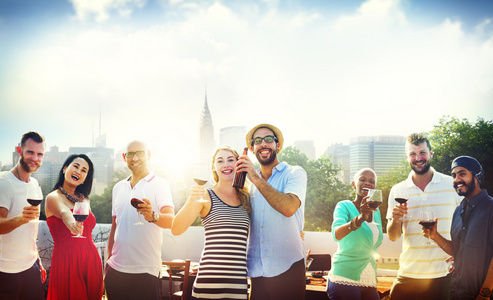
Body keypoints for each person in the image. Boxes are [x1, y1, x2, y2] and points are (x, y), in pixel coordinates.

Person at [235, 123, 307, 300]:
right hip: (257, 270)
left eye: (269, 139)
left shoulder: (294, 173)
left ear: (278, 145)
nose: (263, 144)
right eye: (258, 141)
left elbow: (289, 208)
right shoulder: (247, 183)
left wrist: (255, 178)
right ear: (252, 149)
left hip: (288, 268)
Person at [386, 133, 461, 300]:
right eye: (413, 154)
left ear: (431, 153)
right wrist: (396, 220)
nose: (418, 158)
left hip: (444, 274)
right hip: (409, 273)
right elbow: (393, 236)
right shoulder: (398, 190)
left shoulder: (451, 185)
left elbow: (467, 226)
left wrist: (461, 255)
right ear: (407, 157)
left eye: (422, 153)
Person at [172, 145, 251, 299]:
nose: (226, 165)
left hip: (238, 283)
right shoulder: (205, 195)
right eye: (220, 161)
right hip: (209, 283)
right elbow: (176, 229)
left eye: (231, 160)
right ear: (214, 168)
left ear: (238, 164)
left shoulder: (247, 198)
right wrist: (191, 200)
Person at [104, 140, 175, 300]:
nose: (134, 158)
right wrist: (108, 262)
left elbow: (171, 220)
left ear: (148, 155)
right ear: (124, 157)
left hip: (146, 271)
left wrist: (153, 216)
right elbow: (116, 226)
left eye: (140, 153)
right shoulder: (118, 187)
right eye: (130, 154)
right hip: (116, 271)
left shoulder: (160, 184)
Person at [423, 156, 493, 300]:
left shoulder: (491, 208)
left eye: (462, 174)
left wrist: (485, 292)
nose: (456, 180)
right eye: (454, 176)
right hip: (456, 292)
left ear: (477, 176)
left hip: (482, 294)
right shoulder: (457, 211)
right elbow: (457, 250)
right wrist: (435, 236)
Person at [44, 154, 103, 299]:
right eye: (75, 166)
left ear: (85, 177)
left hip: (91, 260)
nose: (78, 171)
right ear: (65, 168)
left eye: (84, 170)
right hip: (67, 261)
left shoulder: (85, 199)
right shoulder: (53, 197)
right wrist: (72, 224)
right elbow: (64, 212)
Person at [0, 131, 46, 300]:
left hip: (31, 267)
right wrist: (21, 219)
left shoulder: (34, 183)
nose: (35, 158)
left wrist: (37, 261)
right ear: (19, 150)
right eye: (30, 152)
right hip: (7, 272)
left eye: (40, 154)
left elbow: (30, 231)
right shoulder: (4, 183)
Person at [327, 168, 383, 300]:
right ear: (354, 184)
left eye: (371, 181)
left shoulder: (377, 211)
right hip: (344, 277)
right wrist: (361, 218)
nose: (367, 183)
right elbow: (336, 234)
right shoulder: (344, 206)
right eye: (362, 179)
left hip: (369, 278)